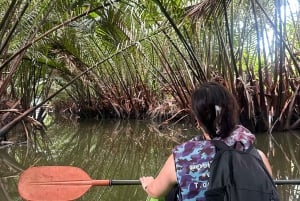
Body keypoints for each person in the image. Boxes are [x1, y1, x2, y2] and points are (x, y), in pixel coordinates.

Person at [140, 81, 272, 201]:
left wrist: (148, 184)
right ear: (231, 114)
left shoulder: (180, 158)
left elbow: (155, 192)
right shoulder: (257, 157)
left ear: (198, 121)